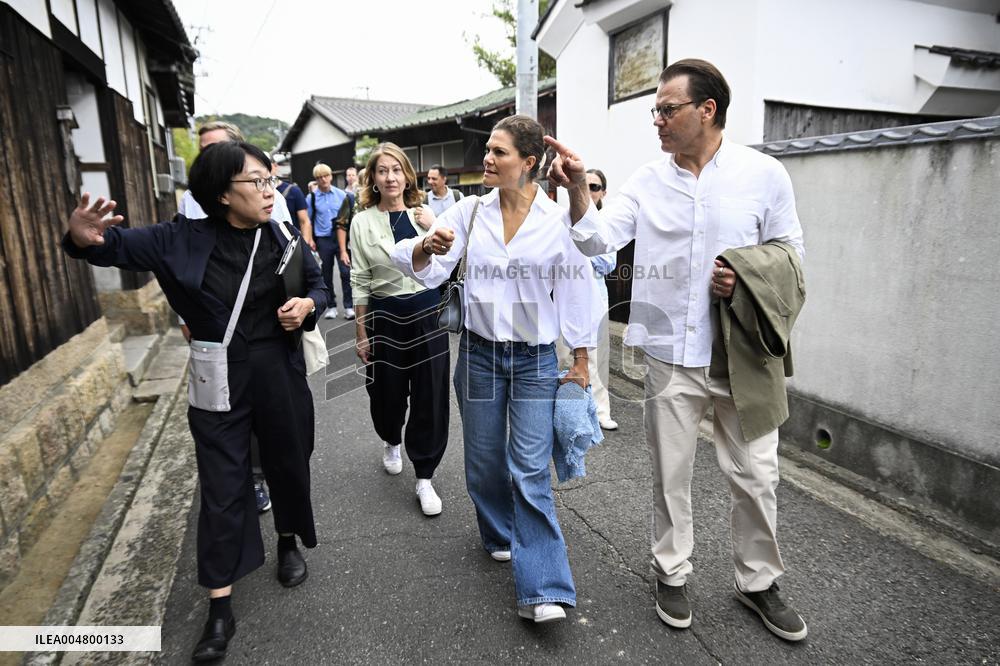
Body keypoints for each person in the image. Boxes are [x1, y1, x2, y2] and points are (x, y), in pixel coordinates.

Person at [545, 58, 808, 641]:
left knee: (757, 475)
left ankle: (758, 582)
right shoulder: (646, 180)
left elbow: (793, 254)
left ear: (706, 110)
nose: (658, 121)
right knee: (671, 473)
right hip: (668, 354)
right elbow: (599, 241)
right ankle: (671, 568)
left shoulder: (764, 175)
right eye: (655, 111)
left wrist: (746, 276)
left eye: (668, 109)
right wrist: (578, 192)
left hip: (741, 357)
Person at [62, 142, 328, 661]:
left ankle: (288, 540)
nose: (270, 190)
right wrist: (80, 240)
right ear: (223, 193)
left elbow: (316, 283)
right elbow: (106, 245)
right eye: (257, 181)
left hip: (277, 367)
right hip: (218, 375)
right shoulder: (176, 239)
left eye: (270, 179)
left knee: (288, 460)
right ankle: (220, 604)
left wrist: (308, 306)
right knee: (223, 483)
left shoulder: (279, 234)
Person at [393, 115, 593, 624]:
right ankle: (499, 532)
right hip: (479, 355)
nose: (487, 158)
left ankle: (544, 585)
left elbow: (576, 288)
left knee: (529, 470)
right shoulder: (469, 210)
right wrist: (426, 246)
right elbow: (427, 265)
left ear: (528, 163)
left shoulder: (557, 220)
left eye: (499, 152)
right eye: (488, 149)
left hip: (532, 361)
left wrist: (582, 357)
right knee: (483, 464)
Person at [349, 143, 449, 516]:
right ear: (372, 179)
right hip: (385, 314)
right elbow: (359, 277)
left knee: (431, 396)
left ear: (408, 175)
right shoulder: (362, 222)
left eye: (397, 170)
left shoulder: (426, 215)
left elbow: (450, 262)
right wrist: (361, 332)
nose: (390, 177)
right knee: (386, 394)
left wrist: (433, 226)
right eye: (382, 171)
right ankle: (391, 437)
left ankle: (425, 475)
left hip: (427, 313)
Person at [556, 168, 619, 430]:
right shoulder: (563, 219)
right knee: (561, 358)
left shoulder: (608, 222)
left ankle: (601, 412)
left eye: (595, 187)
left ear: (603, 192)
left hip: (595, 303)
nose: (590, 191)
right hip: (564, 300)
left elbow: (607, 262)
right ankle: (564, 410)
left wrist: (582, 247)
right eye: (587, 186)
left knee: (595, 361)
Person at [307, 163, 355, 320]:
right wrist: (311, 239)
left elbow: (348, 219)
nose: (323, 179)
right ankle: (331, 306)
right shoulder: (312, 197)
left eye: (326, 176)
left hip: (341, 238)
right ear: (316, 179)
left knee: (345, 272)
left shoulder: (341, 195)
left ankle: (348, 306)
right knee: (326, 274)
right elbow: (308, 220)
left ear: (331, 176)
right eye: (319, 177)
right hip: (323, 239)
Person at [273, 157, 314, 249]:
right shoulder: (256, 193)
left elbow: (304, 221)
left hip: (291, 242)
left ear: (275, 166)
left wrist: (303, 248)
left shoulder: (293, 191)